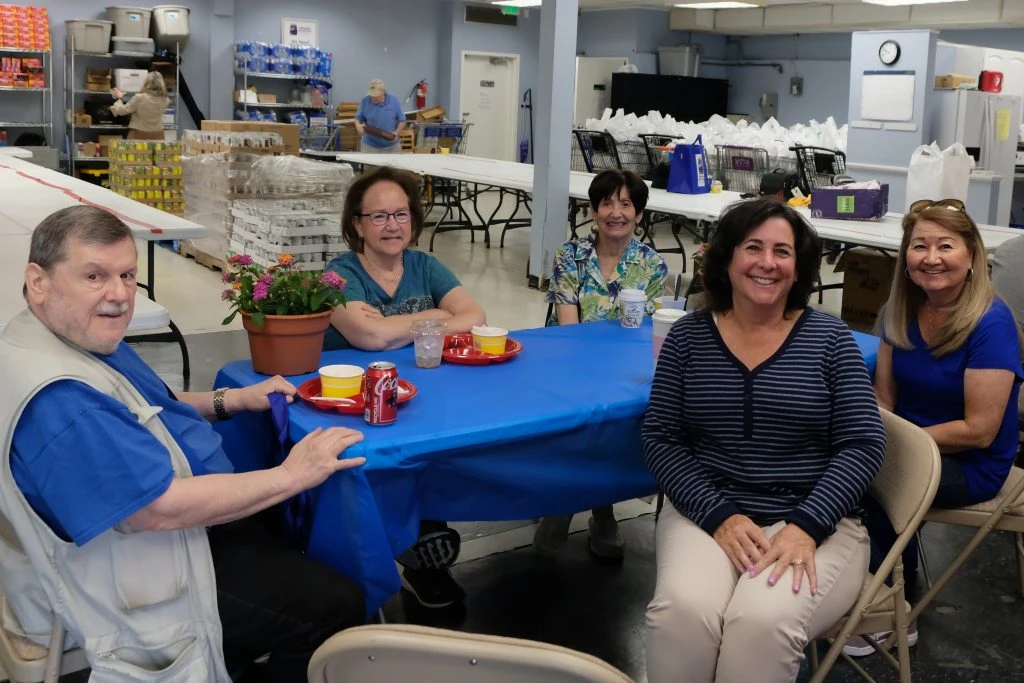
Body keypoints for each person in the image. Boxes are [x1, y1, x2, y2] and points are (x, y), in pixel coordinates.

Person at [0, 205, 367, 681]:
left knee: (292, 530)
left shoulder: (72, 339)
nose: (119, 295)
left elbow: (157, 401)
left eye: (128, 275)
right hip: (158, 560)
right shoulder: (63, 403)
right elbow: (158, 510)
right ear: (39, 280)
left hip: (182, 526)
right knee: (335, 603)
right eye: (94, 276)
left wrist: (232, 398)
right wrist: (292, 474)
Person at [641, 198, 886, 683]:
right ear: (727, 258)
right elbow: (661, 438)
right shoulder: (688, 338)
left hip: (817, 522)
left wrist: (807, 525)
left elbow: (863, 443)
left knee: (760, 621)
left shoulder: (832, 341)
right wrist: (719, 515)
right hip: (707, 514)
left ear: (800, 269)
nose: (767, 263)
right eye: (753, 247)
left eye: (783, 251)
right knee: (681, 615)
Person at [846, 199, 1023, 657]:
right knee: (840, 465)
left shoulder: (990, 322)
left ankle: (894, 615)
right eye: (920, 245)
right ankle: (853, 589)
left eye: (946, 245)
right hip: (909, 443)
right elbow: (883, 400)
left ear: (972, 256)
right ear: (907, 258)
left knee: (872, 484)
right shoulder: (900, 309)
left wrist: (892, 443)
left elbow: (980, 430)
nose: (932, 257)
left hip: (971, 463)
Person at [324, 165, 486, 609]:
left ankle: (425, 553)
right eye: (378, 216)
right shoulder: (338, 274)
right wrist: (435, 321)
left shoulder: (425, 265)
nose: (392, 225)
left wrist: (397, 326)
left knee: (438, 449)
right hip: (359, 402)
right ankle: (389, 555)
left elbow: (475, 317)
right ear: (357, 224)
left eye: (400, 214)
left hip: (422, 395)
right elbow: (367, 337)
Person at [534, 168, 668, 562]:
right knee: (582, 417)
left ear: (639, 214)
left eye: (626, 204)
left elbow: (651, 333)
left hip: (626, 368)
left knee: (620, 421)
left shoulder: (651, 265)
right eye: (607, 202)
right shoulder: (570, 256)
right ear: (593, 210)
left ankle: (599, 509)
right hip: (570, 364)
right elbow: (569, 329)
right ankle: (569, 502)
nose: (616, 212)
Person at [110, 71, 170, 141]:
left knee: (135, 152)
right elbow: (150, 102)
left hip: (138, 134)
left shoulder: (140, 98)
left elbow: (123, 110)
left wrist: (118, 101)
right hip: (158, 134)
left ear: (146, 82)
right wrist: (124, 96)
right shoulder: (165, 100)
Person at [354, 79, 406, 154]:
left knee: (392, 166)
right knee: (369, 166)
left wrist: (396, 132)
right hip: (369, 146)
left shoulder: (394, 100)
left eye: (375, 96)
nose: (372, 98)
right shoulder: (365, 100)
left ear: (383, 92)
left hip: (391, 147)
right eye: (371, 95)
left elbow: (402, 120)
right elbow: (357, 118)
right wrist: (358, 126)